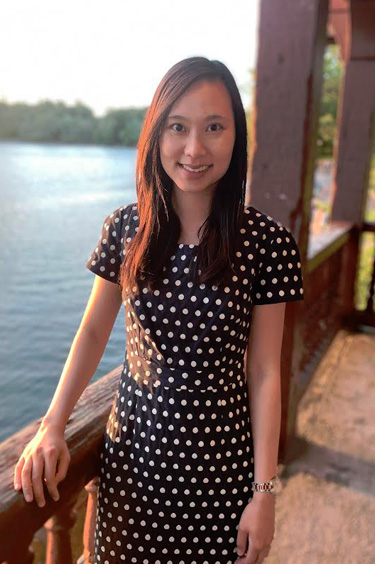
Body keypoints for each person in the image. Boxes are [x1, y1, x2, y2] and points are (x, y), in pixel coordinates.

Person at [13, 56, 304, 564]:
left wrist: (264, 492)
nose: (194, 148)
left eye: (214, 127)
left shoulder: (266, 243)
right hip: (134, 465)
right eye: (178, 127)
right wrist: (53, 423)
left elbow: (263, 373)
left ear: (237, 137)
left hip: (221, 472)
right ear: (157, 134)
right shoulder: (127, 229)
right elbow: (93, 334)